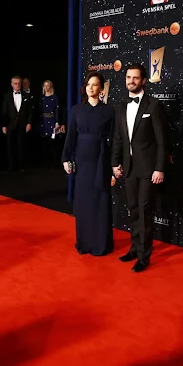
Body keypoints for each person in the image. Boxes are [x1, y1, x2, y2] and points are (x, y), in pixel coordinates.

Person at [112, 63, 168, 272]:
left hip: (148, 169)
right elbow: (119, 138)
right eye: (128, 77)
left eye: (135, 78)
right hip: (128, 167)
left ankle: (144, 256)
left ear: (143, 80)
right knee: (134, 209)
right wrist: (115, 163)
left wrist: (159, 168)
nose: (131, 81)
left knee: (145, 210)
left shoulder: (153, 105)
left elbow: (162, 141)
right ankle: (135, 248)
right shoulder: (120, 106)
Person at [61, 72, 115, 256]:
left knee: (100, 201)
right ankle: (84, 242)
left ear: (101, 88)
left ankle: (101, 244)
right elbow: (71, 137)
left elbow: (115, 139)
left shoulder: (109, 110)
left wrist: (115, 165)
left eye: (95, 85)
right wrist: (66, 159)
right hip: (82, 161)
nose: (90, 88)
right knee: (84, 202)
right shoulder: (77, 109)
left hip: (101, 160)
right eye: (88, 84)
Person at [1, 75, 33, 172]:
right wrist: (3, 125)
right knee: (10, 146)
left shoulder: (26, 95)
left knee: (21, 146)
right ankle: (11, 166)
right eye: (15, 83)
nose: (18, 85)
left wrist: (29, 123)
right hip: (10, 124)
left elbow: (30, 112)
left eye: (19, 83)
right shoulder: (7, 96)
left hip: (22, 124)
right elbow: (4, 112)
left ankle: (22, 166)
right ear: (12, 84)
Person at [37, 80, 62, 168]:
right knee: (45, 143)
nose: (46, 87)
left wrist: (57, 122)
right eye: (45, 86)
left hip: (52, 120)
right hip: (43, 121)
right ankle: (46, 162)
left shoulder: (54, 97)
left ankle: (55, 162)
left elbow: (57, 110)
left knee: (53, 143)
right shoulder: (41, 98)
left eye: (48, 86)